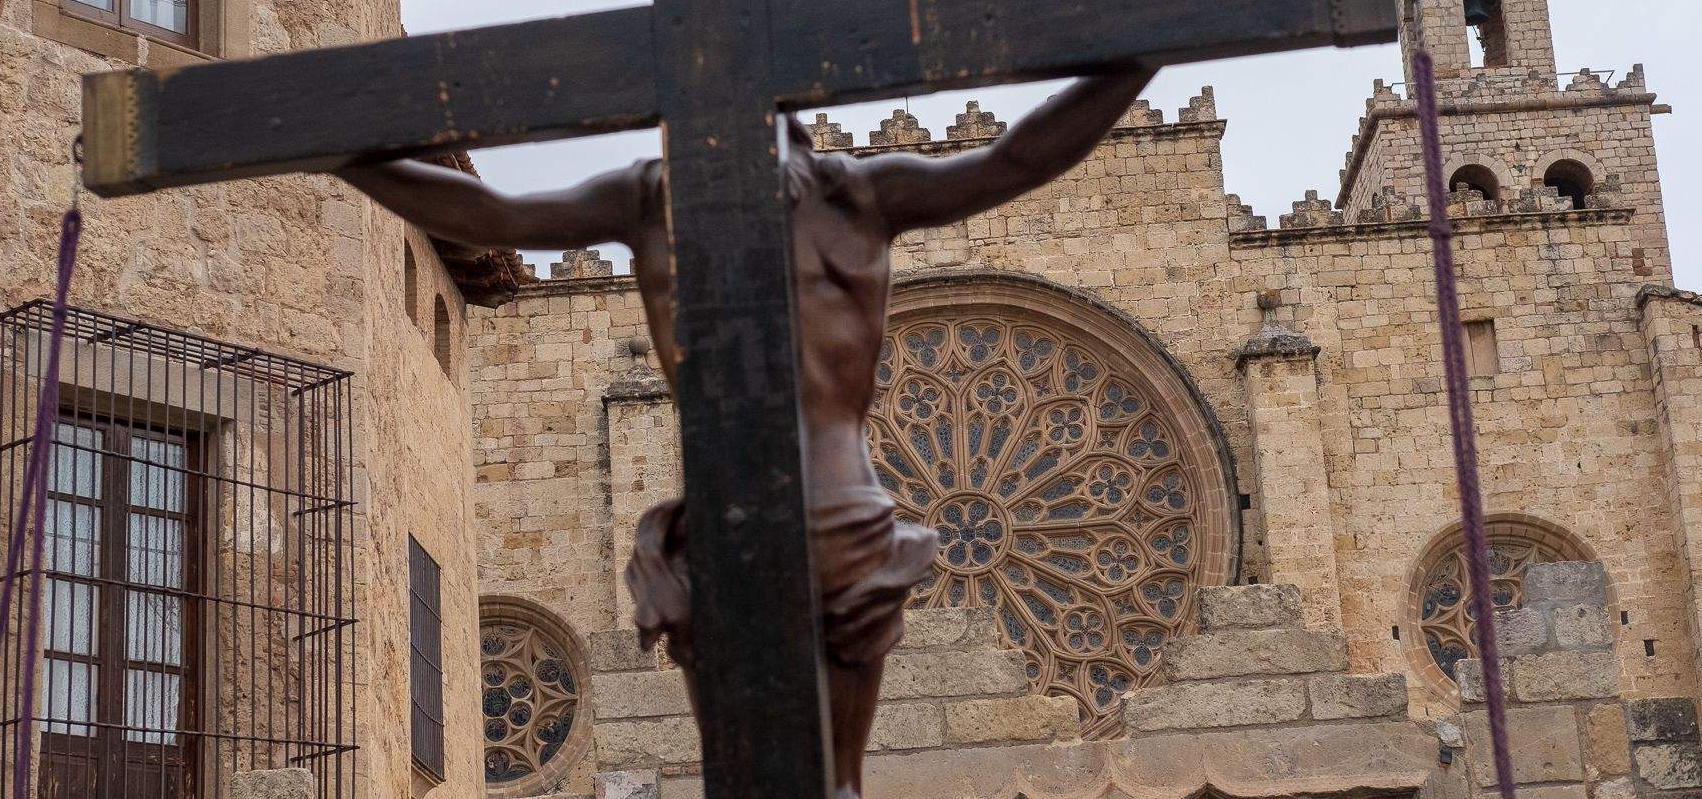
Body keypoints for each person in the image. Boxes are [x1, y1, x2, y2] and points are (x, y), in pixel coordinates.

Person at [340, 66, 1153, 798]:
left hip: (785, 518)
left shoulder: (749, 196)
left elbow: (490, 213)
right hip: (780, 518)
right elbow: (1017, 159)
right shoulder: (791, 198)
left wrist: (337, 150)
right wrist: (1135, 56)